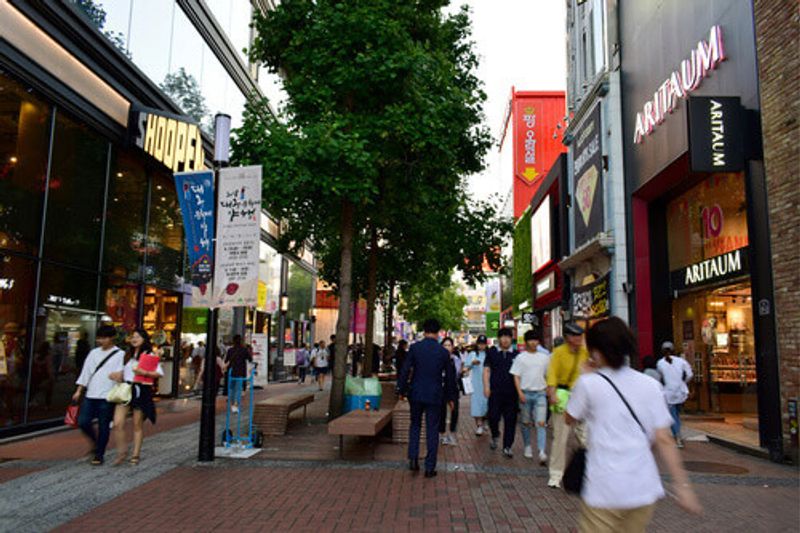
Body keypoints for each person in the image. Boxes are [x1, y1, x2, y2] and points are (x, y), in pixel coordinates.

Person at [566, 317, 702, 532]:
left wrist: (585, 375)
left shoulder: (588, 383)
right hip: (642, 486)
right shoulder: (650, 385)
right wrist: (683, 486)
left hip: (603, 486)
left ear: (596, 351)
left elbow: (569, 417)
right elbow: (664, 439)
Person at [397, 318, 456, 478]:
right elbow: (450, 377)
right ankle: (430, 467)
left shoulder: (415, 348)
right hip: (435, 395)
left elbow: (405, 370)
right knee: (432, 429)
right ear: (438, 333)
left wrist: (401, 389)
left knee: (415, 425)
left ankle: (413, 459)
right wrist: (451, 397)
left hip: (416, 393)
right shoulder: (443, 352)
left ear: (424, 331)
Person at [71, 325, 124, 465]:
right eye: (99, 338)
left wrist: (118, 376)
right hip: (91, 394)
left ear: (112, 338)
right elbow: (86, 372)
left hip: (107, 395)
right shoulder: (93, 353)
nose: (101, 341)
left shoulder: (120, 354)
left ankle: (99, 454)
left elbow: (121, 375)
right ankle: (95, 444)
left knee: (103, 425)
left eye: (104, 338)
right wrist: (79, 390)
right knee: (83, 421)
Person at [109, 328, 163, 466]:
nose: (134, 339)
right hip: (125, 389)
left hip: (140, 390)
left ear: (144, 339)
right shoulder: (127, 355)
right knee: (117, 423)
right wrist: (117, 375)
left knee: (137, 424)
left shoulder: (149, 354)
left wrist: (142, 371)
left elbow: (158, 373)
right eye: (132, 336)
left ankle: (135, 454)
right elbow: (124, 372)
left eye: (137, 336)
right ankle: (122, 452)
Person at [546, 322, 589, 488]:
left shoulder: (586, 353)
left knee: (587, 438)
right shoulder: (558, 353)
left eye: (581, 336)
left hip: (582, 397)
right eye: (576, 336)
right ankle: (556, 475)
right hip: (563, 397)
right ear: (568, 338)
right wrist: (552, 392)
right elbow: (552, 375)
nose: (579, 339)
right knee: (560, 438)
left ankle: (591, 473)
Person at [511, 329, 551, 464]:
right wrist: (519, 393)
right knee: (525, 422)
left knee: (541, 423)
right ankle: (527, 446)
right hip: (525, 393)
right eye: (531, 340)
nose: (533, 343)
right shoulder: (520, 358)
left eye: (535, 340)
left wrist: (548, 390)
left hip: (540, 394)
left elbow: (549, 375)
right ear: (526, 342)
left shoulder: (545, 358)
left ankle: (541, 451)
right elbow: (516, 376)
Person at [483, 327, 519, 458]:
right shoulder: (492, 353)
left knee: (511, 420)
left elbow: (520, 375)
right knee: (493, 417)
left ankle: (507, 446)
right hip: (495, 392)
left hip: (512, 394)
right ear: (498, 339)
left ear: (511, 339)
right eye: (502, 337)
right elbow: (486, 370)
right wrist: (486, 387)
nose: (505, 339)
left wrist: (520, 392)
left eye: (508, 337)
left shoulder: (516, 354)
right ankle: (495, 434)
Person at [657, 341, 694, 448]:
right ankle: (677, 434)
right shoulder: (681, 361)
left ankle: (677, 436)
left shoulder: (660, 363)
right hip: (681, 392)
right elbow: (690, 374)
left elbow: (660, 377)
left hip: (669, 392)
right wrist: (683, 382)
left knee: (672, 416)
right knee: (676, 414)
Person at [465, 335, 490, 435]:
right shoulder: (472, 354)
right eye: (480, 344)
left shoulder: (489, 354)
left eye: (483, 344)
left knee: (487, 404)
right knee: (476, 405)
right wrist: (472, 363)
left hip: (488, 383)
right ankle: (479, 426)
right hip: (476, 384)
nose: (481, 346)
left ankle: (486, 422)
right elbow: (466, 367)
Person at [438, 337, 461, 446]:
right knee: (441, 412)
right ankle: (442, 434)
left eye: (449, 345)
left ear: (452, 347)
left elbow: (457, 375)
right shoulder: (437, 359)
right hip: (441, 389)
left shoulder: (456, 359)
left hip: (453, 389)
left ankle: (451, 434)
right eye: (445, 345)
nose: (447, 347)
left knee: (454, 412)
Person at [223, 335, 252, 413]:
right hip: (241, 371)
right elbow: (250, 359)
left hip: (231, 371)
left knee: (232, 389)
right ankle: (235, 405)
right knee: (238, 389)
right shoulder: (244, 350)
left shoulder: (230, 350)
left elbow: (226, 361)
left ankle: (232, 404)